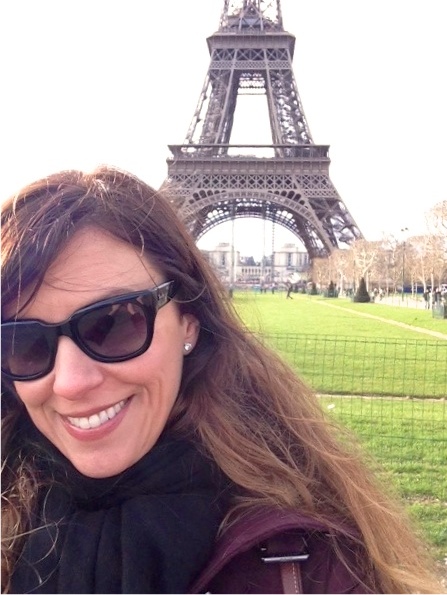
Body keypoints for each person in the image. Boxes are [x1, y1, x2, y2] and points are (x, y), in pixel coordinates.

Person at [1, 166, 441, 594]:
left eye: (114, 323)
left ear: (188, 324)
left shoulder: (319, 570)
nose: (71, 382)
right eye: (23, 341)